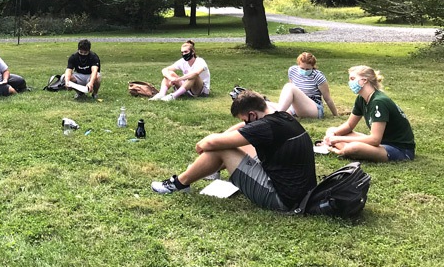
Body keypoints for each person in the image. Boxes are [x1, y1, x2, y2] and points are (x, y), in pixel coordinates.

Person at [151, 90, 316, 212]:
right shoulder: (282, 116)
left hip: (283, 199)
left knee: (221, 149)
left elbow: (207, 144)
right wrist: (227, 134)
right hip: (303, 194)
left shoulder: (264, 127)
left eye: (245, 120)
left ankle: (179, 184)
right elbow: (239, 131)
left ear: (252, 115)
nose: (245, 124)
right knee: (237, 143)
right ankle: (205, 170)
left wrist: (207, 143)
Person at [321, 65, 415, 162]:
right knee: (331, 130)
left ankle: (339, 149)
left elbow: (375, 140)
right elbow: (349, 125)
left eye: (352, 79)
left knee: (353, 147)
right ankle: (342, 147)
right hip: (381, 144)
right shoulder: (361, 98)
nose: (350, 82)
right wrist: (333, 134)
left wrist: (337, 139)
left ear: (364, 80)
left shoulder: (379, 102)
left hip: (399, 149)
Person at [274, 52, 338, 118]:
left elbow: (327, 98)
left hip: (314, 107)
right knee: (272, 104)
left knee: (290, 87)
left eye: (308, 69)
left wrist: (335, 114)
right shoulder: (292, 70)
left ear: (313, 67)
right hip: (296, 105)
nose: (305, 71)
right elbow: (289, 93)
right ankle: (278, 113)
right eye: (302, 68)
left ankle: (277, 115)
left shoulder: (318, 76)